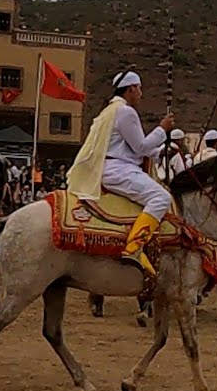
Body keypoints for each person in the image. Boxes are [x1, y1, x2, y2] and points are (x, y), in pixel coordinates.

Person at [65, 70, 174, 276]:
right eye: (139, 88)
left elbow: (131, 147)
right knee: (162, 197)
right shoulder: (126, 112)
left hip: (110, 166)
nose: (141, 93)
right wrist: (162, 129)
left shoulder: (108, 111)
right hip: (118, 169)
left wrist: (160, 151)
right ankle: (134, 248)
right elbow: (141, 147)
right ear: (131, 89)